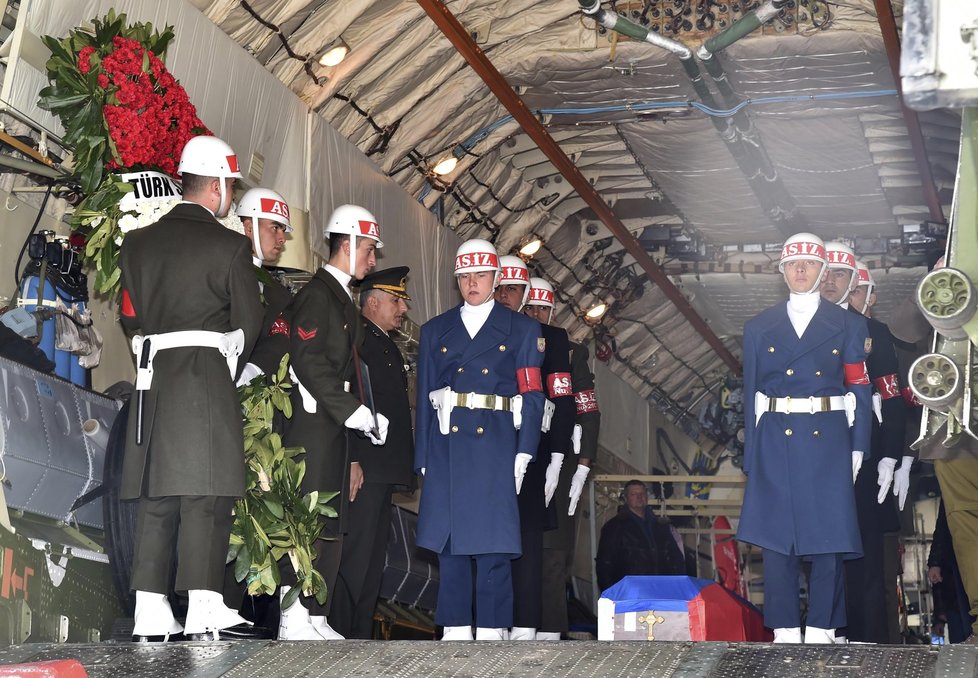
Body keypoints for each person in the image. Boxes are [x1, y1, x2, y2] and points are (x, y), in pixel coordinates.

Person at [119, 135, 264, 641]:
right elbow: (249, 320)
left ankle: (149, 608)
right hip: (204, 374)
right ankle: (204, 602)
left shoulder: (136, 244)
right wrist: (229, 358)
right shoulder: (230, 245)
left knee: (157, 494)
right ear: (219, 186)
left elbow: (129, 316)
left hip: (153, 375)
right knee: (206, 491)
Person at [737, 232, 872, 645]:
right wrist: (751, 454)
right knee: (776, 537)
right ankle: (782, 627)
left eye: (809, 264)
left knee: (828, 534)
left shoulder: (849, 323)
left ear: (822, 270)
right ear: (781, 270)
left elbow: (859, 386)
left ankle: (821, 626)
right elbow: (751, 393)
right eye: (792, 263)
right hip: (775, 434)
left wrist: (859, 445)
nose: (800, 270)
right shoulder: (759, 327)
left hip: (827, 434)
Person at [414, 238, 545, 641]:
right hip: (449, 444)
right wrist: (422, 454)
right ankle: (454, 627)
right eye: (465, 276)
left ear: (495, 277)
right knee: (450, 544)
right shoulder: (436, 329)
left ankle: (491, 629)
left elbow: (532, 392)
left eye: (481, 275)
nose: (473, 283)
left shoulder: (522, 329)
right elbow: (423, 397)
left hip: (496, 443)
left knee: (493, 546)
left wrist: (525, 451)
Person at [277, 204, 390, 641]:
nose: (373, 260)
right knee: (304, 518)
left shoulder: (339, 297)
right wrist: (355, 413)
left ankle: (314, 613)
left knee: (328, 522)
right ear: (349, 244)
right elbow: (309, 363)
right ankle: (292, 615)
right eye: (370, 250)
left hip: (331, 428)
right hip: (312, 426)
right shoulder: (317, 296)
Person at [889, 255, 978, 646]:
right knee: (965, 527)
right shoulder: (946, 285)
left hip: (955, 431)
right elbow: (902, 329)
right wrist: (934, 279)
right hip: (953, 430)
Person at [820, 246, 907, 643]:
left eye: (841, 275)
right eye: (828, 273)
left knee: (866, 553)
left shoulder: (875, 334)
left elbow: (890, 398)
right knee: (821, 551)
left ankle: (869, 639)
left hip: (866, 456)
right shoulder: (801, 325)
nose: (831, 282)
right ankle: (829, 629)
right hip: (818, 454)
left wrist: (893, 454)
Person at [331, 266, 416, 639]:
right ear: (373, 302)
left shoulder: (384, 345)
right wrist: (351, 459)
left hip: (383, 471)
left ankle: (360, 637)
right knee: (355, 558)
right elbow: (347, 403)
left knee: (371, 562)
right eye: (396, 301)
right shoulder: (359, 343)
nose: (402, 309)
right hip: (365, 468)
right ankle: (342, 634)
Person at [493, 260, 575, 641]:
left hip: (534, 447)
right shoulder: (482, 328)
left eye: (513, 288)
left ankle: (524, 624)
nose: (505, 294)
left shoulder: (550, 339)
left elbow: (561, 397)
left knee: (528, 541)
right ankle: (490, 622)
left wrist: (558, 455)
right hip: (490, 444)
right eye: (501, 286)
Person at [528, 277, 600, 641]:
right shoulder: (511, 344)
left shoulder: (572, 354)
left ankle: (552, 632)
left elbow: (587, 409)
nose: (539, 315)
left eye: (545, 309)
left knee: (554, 554)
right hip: (524, 457)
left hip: (562, 462)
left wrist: (584, 462)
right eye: (533, 309)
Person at [235, 187, 293, 381]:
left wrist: (252, 371)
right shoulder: (218, 273)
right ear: (249, 227)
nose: (282, 238)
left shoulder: (281, 296)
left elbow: (279, 342)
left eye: (283, 230)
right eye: (275, 227)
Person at [595, 480, 686, 592]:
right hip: (631, 594)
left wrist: (678, 588)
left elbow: (676, 559)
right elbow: (605, 564)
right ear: (626, 498)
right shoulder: (614, 527)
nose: (639, 497)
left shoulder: (661, 527)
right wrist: (611, 595)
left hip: (662, 592)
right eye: (634, 494)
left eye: (642, 493)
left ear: (647, 497)